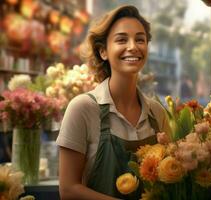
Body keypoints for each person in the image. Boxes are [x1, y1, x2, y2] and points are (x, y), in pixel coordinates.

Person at [56, 5, 170, 200]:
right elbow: (68, 189)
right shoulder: (82, 109)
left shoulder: (157, 113)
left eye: (140, 39)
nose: (133, 46)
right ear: (103, 52)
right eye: (122, 39)